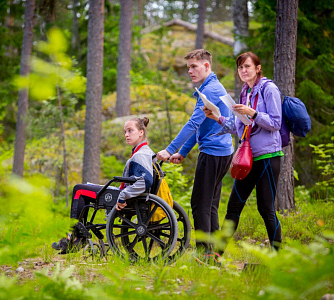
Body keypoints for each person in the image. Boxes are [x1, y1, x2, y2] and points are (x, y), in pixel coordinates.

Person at [157, 49, 234, 259]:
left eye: (194, 66)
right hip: (221, 151)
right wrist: (182, 152)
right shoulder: (209, 87)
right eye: (188, 67)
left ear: (206, 66)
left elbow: (193, 123)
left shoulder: (210, 89)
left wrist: (170, 149)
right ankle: (213, 255)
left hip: (213, 153)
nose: (190, 71)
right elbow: (201, 126)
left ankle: (203, 255)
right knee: (209, 205)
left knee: (200, 204)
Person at [204, 51, 283, 252]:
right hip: (247, 159)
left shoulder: (269, 89)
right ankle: (217, 256)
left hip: (268, 157)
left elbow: (275, 123)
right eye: (240, 67)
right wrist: (218, 118)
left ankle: (278, 257)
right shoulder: (244, 92)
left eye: (247, 66)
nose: (243, 70)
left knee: (266, 209)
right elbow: (241, 126)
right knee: (233, 207)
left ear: (257, 68)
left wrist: (253, 113)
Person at [52, 116, 154, 253]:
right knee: (84, 188)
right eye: (125, 131)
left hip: (124, 196)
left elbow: (146, 181)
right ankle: (77, 236)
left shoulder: (140, 155)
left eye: (130, 131)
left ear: (141, 132)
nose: (126, 135)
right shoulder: (143, 151)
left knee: (79, 190)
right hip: (126, 193)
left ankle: (74, 238)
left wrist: (123, 196)